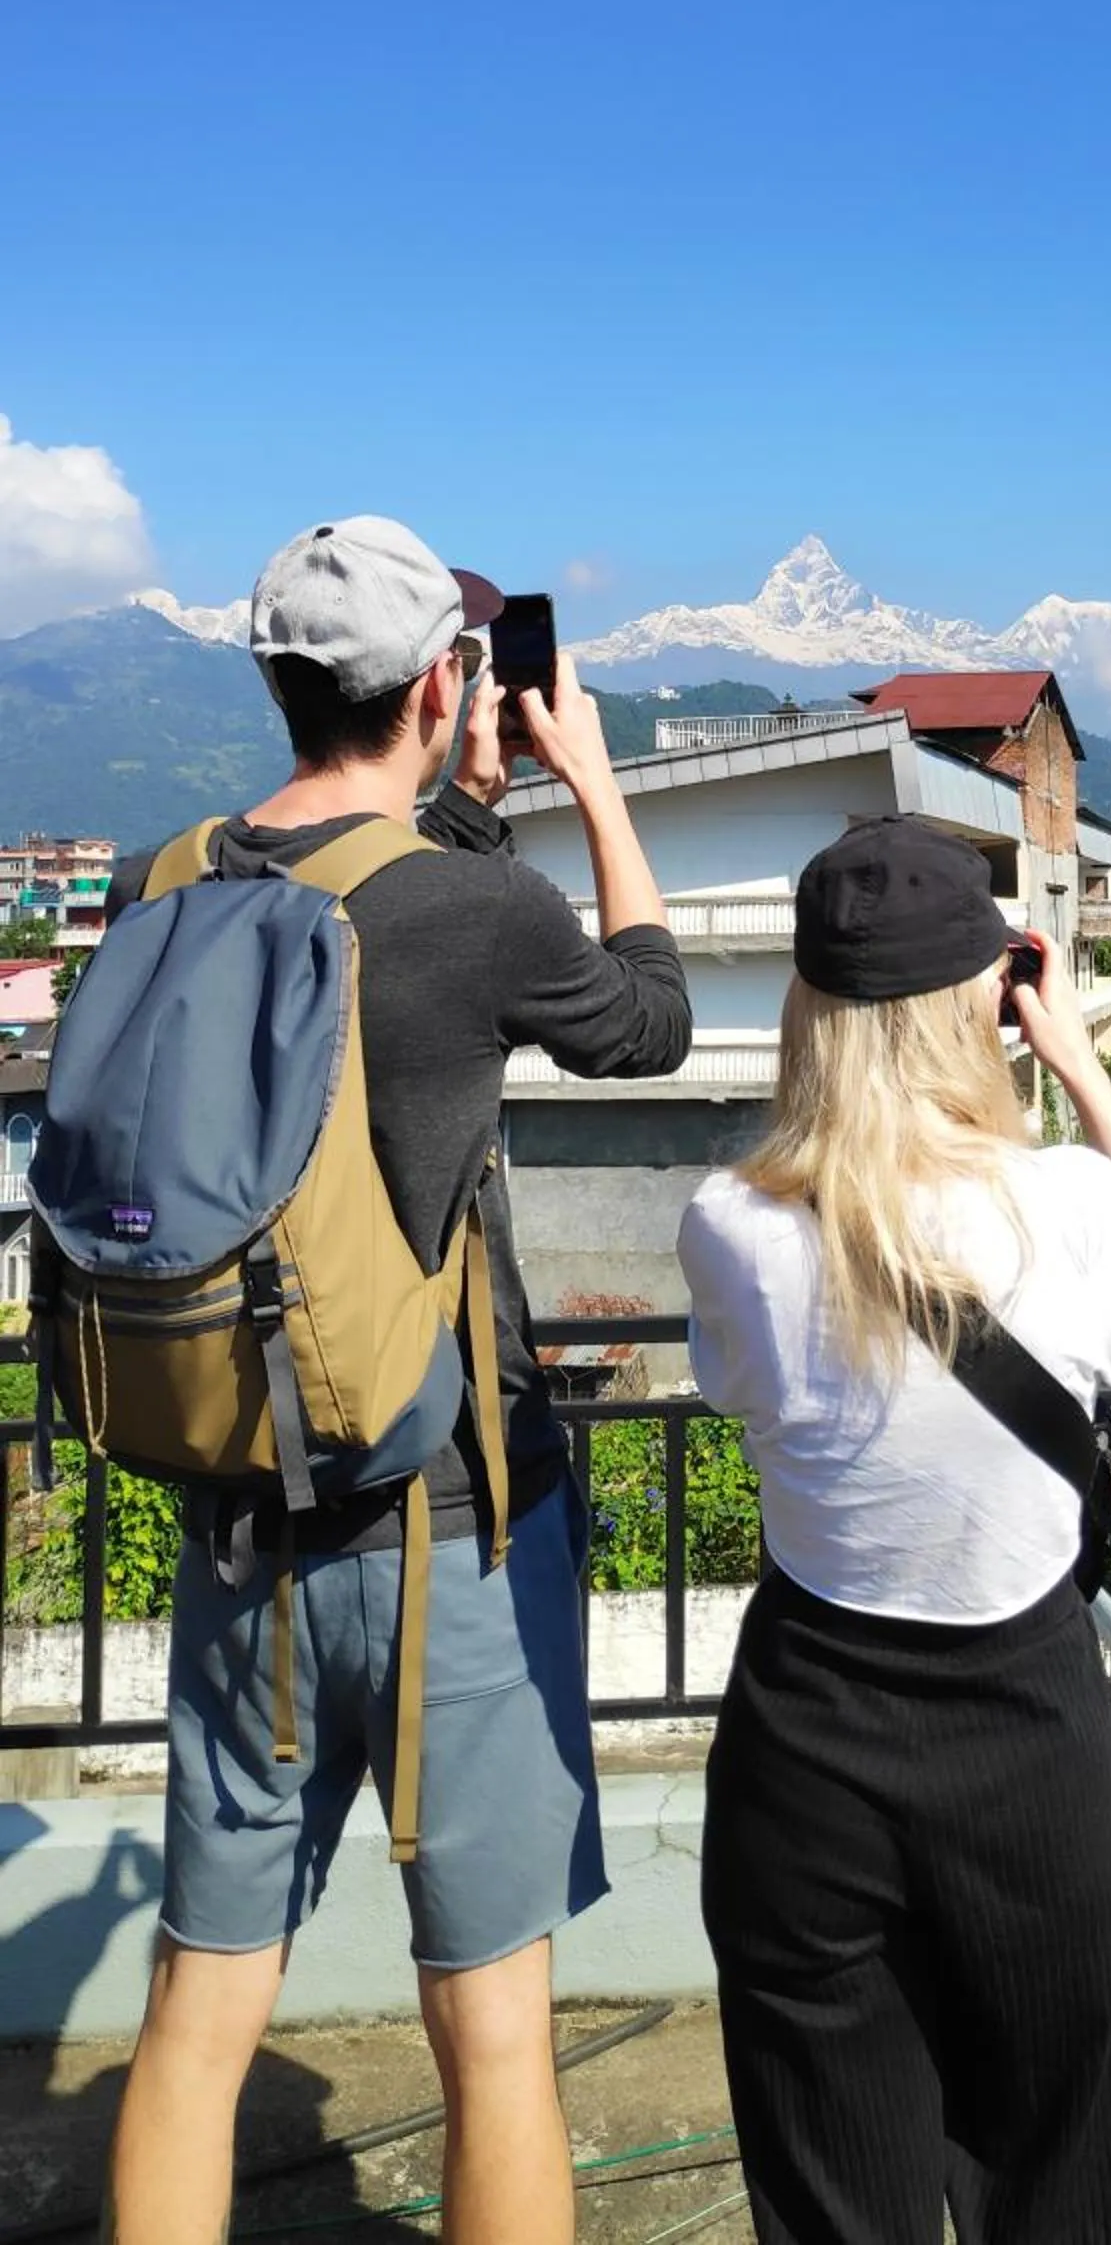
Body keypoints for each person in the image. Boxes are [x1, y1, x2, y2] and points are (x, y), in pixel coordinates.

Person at [100, 516, 692, 2245]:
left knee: (199, 2008)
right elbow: (643, 1016)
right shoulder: (473, 906)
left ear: (280, 681)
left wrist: (464, 794)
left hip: (234, 1517)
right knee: (491, 2034)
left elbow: (364, 920)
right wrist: (592, 787)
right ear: (448, 681)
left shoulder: (164, 878)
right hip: (452, 1533)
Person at [678, 818, 1111, 2245]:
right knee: (1058, 2175)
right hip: (1026, 1743)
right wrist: (1082, 1068)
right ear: (982, 1002)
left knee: (827, 2190)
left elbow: (739, 1386)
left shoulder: (728, 1220)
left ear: (811, 1008)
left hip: (802, 1739)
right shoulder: (1074, 1210)